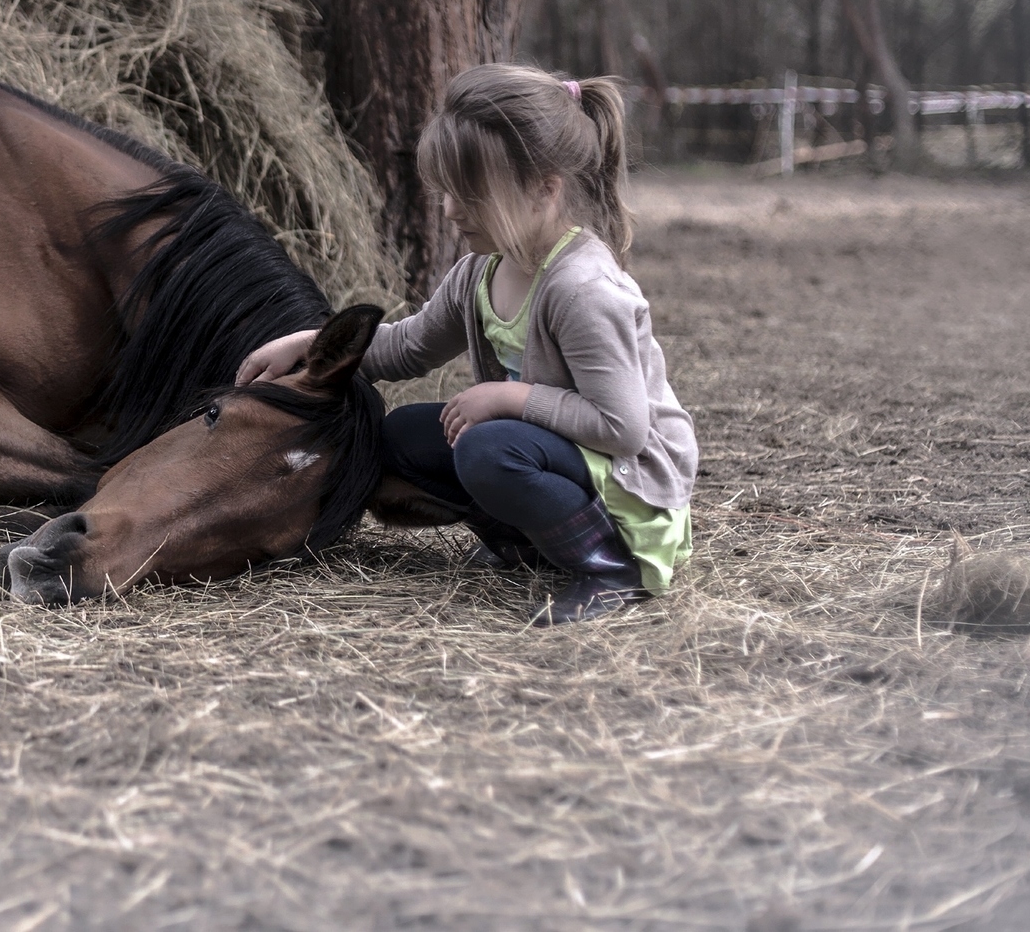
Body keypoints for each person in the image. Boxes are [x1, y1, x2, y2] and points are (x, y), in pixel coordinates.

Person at [237, 64, 696, 624]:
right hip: (556, 453)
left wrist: (509, 398)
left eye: (471, 194)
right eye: (447, 191)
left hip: (632, 487)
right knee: (402, 435)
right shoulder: (481, 270)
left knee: (488, 448)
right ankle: (526, 541)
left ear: (544, 189)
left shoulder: (583, 290)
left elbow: (624, 429)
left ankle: (608, 569)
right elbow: (407, 349)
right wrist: (311, 345)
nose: (451, 210)